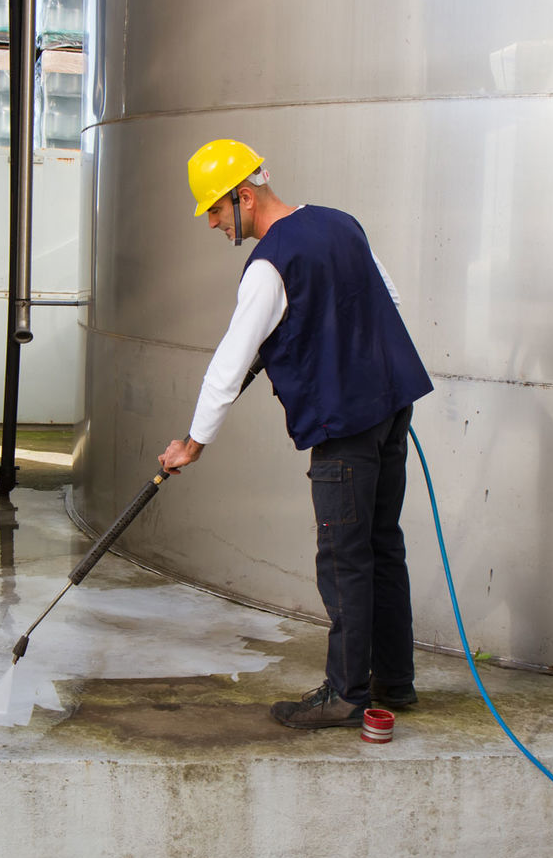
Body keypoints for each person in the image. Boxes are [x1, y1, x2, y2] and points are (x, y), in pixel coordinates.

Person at [158, 139, 434, 730]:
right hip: (391, 407)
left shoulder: (268, 265)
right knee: (382, 543)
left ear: (244, 196)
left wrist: (192, 444)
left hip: (345, 426)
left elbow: (229, 365)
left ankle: (347, 695)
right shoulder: (342, 223)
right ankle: (394, 679)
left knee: (344, 557)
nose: (212, 223)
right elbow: (387, 299)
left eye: (215, 209)